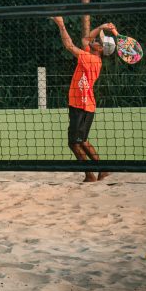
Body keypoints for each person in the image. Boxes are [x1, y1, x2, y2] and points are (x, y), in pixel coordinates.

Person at [52, 16, 117, 183]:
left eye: (99, 41)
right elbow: (85, 39)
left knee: (74, 143)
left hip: (82, 105)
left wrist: (61, 25)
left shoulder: (91, 60)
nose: (95, 40)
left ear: (101, 49)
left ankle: (90, 174)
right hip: (82, 105)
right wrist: (103, 25)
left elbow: (69, 46)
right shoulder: (91, 55)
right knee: (82, 141)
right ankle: (103, 170)